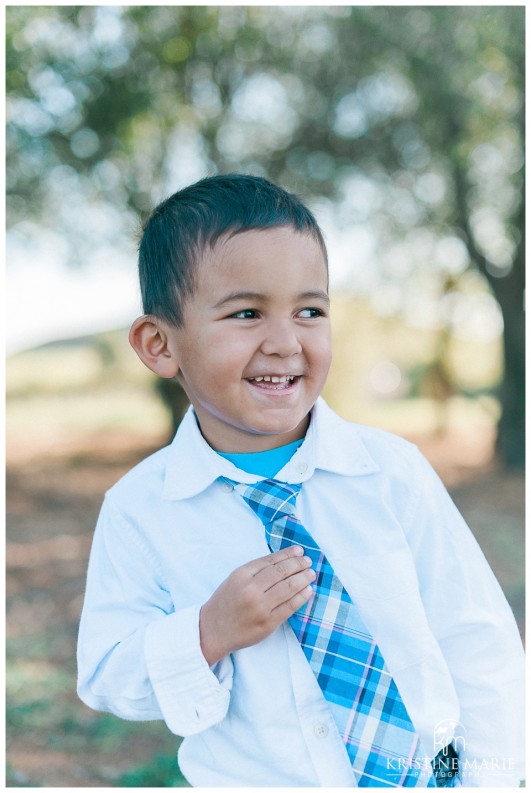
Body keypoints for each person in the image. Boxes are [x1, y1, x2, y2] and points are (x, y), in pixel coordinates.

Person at [77, 174, 524, 788]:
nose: (286, 343)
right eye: (246, 313)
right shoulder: (138, 510)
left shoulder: (392, 473)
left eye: (309, 311)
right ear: (160, 344)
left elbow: (478, 641)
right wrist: (206, 632)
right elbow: (105, 672)